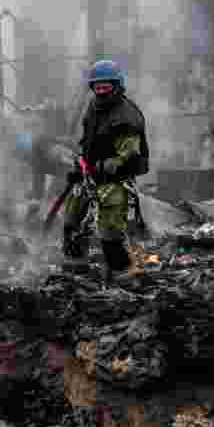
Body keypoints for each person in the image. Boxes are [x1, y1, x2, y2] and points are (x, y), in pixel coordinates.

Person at [63, 59, 150, 274]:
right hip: (90, 174)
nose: (101, 90)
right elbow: (87, 140)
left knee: (110, 229)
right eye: (97, 86)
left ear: (117, 85)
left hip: (115, 179)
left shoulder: (127, 116)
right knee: (72, 216)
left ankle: (123, 273)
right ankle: (76, 265)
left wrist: (111, 164)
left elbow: (129, 153)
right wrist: (80, 164)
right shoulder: (93, 106)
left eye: (106, 86)